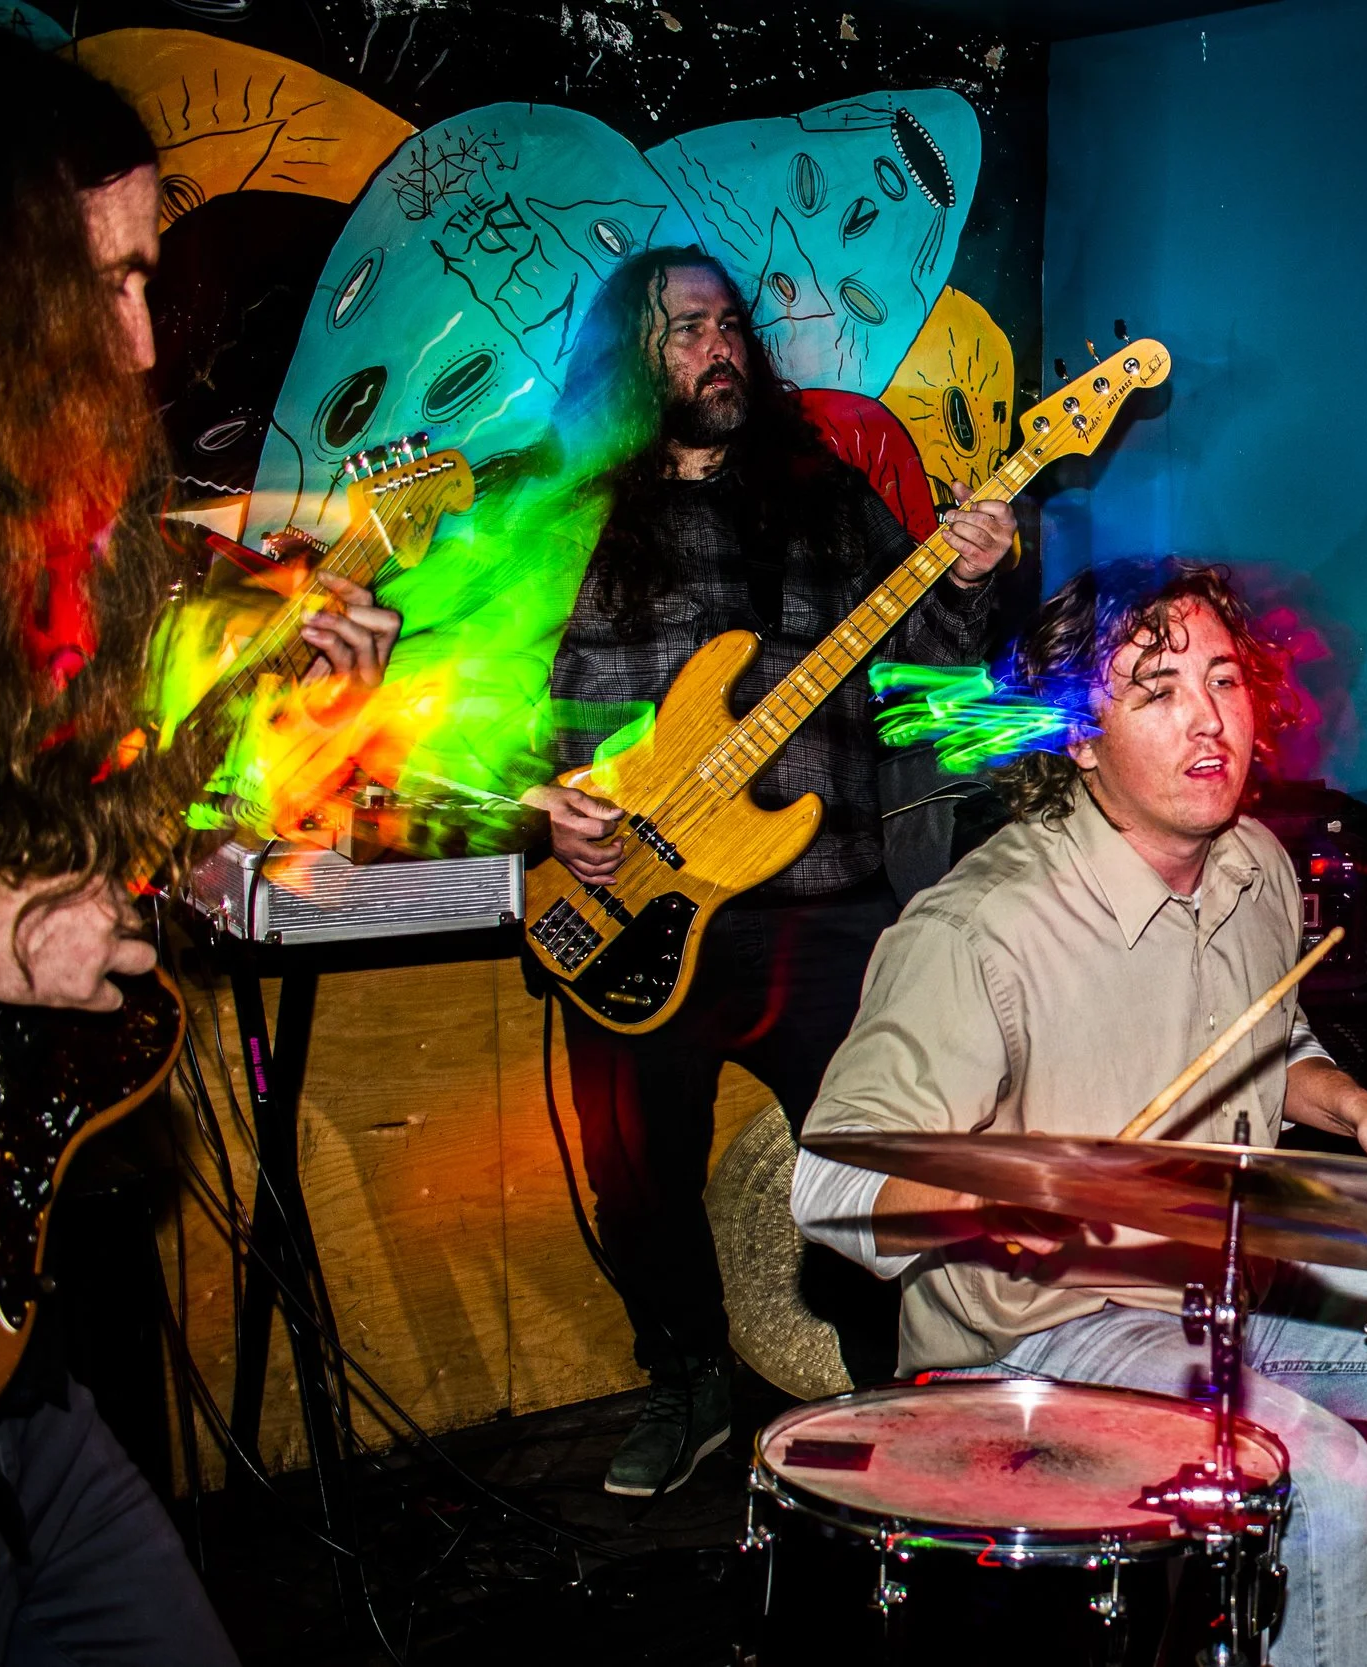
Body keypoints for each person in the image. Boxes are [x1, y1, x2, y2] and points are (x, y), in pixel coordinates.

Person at [0, 22, 397, 1665]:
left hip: (35, 1208)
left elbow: (101, 824)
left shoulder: (60, 527)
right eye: (98, 287)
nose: (139, 343)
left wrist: (254, 714)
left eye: (151, 280)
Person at [790, 560, 1367, 1667]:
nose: (1208, 721)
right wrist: (1016, 1199)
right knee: (1324, 1473)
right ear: (1080, 738)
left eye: (1224, 681)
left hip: (1223, 1276)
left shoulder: (1256, 864)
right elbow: (829, 1181)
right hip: (1037, 1334)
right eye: (1155, 691)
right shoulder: (978, 931)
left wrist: (1357, 1114)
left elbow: (1269, 1044)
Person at [529, 246, 1014, 1497]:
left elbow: (931, 680)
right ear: (630, 366)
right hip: (631, 903)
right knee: (635, 1174)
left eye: (730, 324)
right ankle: (685, 1375)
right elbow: (497, 707)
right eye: (685, 331)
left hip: (825, 901)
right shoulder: (575, 516)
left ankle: (884, 1403)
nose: (719, 346)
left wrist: (968, 581)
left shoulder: (827, 494)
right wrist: (547, 810)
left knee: (867, 1165)